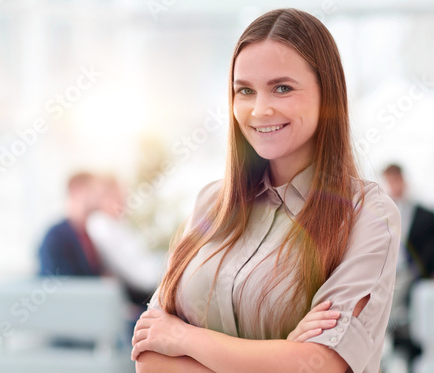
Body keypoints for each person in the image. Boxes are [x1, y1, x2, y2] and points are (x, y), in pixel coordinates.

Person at [131, 8, 401, 373]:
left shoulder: (367, 213)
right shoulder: (211, 203)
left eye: (282, 88)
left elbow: (318, 365)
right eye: (245, 90)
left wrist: (184, 339)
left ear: (328, 94)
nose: (260, 110)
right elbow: (148, 354)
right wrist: (279, 355)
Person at [382, 163, 434, 369]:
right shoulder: (381, 213)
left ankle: (385, 338)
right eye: (389, 182)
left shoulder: (425, 215)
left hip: (412, 273)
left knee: (391, 304)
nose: (394, 186)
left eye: (396, 180)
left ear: (403, 180)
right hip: (387, 270)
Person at [87, 174, 165, 306]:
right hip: (140, 295)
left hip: (149, 284)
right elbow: (139, 277)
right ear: (105, 198)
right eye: (120, 196)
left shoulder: (117, 225)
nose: (125, 201)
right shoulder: (101, 225)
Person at [38, 172, 106, 277]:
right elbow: (64, 283)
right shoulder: (56, 237)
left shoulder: (92, 235)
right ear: (77, 191)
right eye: (95, 192)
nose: (99, 199)